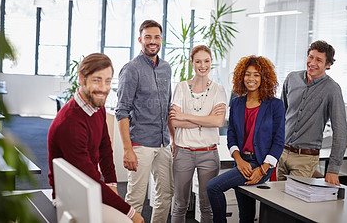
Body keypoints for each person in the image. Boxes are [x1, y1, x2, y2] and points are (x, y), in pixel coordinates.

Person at [48, 53, 144, 223]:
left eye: (108, 81)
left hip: (87, 186)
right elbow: (90, 179)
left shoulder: (96, 107)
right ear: (82, 79)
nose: (103, 88)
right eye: (97, 80)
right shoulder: (70, 123)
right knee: (128, 221)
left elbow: (105, 148)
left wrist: (112, 184)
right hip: (69, 197)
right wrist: (131, 213)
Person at [207, 55, 285, 223]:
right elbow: (232, 135)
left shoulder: (275, 105)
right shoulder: (236, 103)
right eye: (248, 74)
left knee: (213, 187)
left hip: (261, 165)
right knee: (246, 214)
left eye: (256, 74)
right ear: (241, 76)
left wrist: (263, 169)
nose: (251, 79)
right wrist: (239, 159)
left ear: (264, 78)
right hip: (241, 162)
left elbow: (279, 141)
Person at [115, 20, 174, 223]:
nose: (152, 41)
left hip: (163, 143)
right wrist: (127, 149)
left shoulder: (166, 68)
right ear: (140, 39)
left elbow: (168, 108)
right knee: (135, 200)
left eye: (156, 37)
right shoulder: (131, 69)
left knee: (165, 195)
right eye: (148, 37)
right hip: (140, 143)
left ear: (161, 40)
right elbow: (121, 111)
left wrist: (172, 142)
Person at [169, 45, 227, 223]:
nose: (203, 65)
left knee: (206, 205)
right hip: (184, 152)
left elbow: (218, 122)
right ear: (192, 63)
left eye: (207, 61)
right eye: (199, 61)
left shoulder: (218, 89)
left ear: (211, 62)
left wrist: (185, 116)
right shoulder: (181, 88)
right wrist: (206, 118)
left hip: (208, 153)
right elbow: (174, 121)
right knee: (179, 204)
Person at [277, 40, 347, 186]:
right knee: (278, 200)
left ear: (328, 65)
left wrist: (333, 169)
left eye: (319, 60)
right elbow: (280, 116)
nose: (312, 63)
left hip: (305, 158)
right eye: (311, 57)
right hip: (282, 153)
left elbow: (340, 130)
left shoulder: (332, 89)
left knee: (292, 201)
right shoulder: (292, 78)